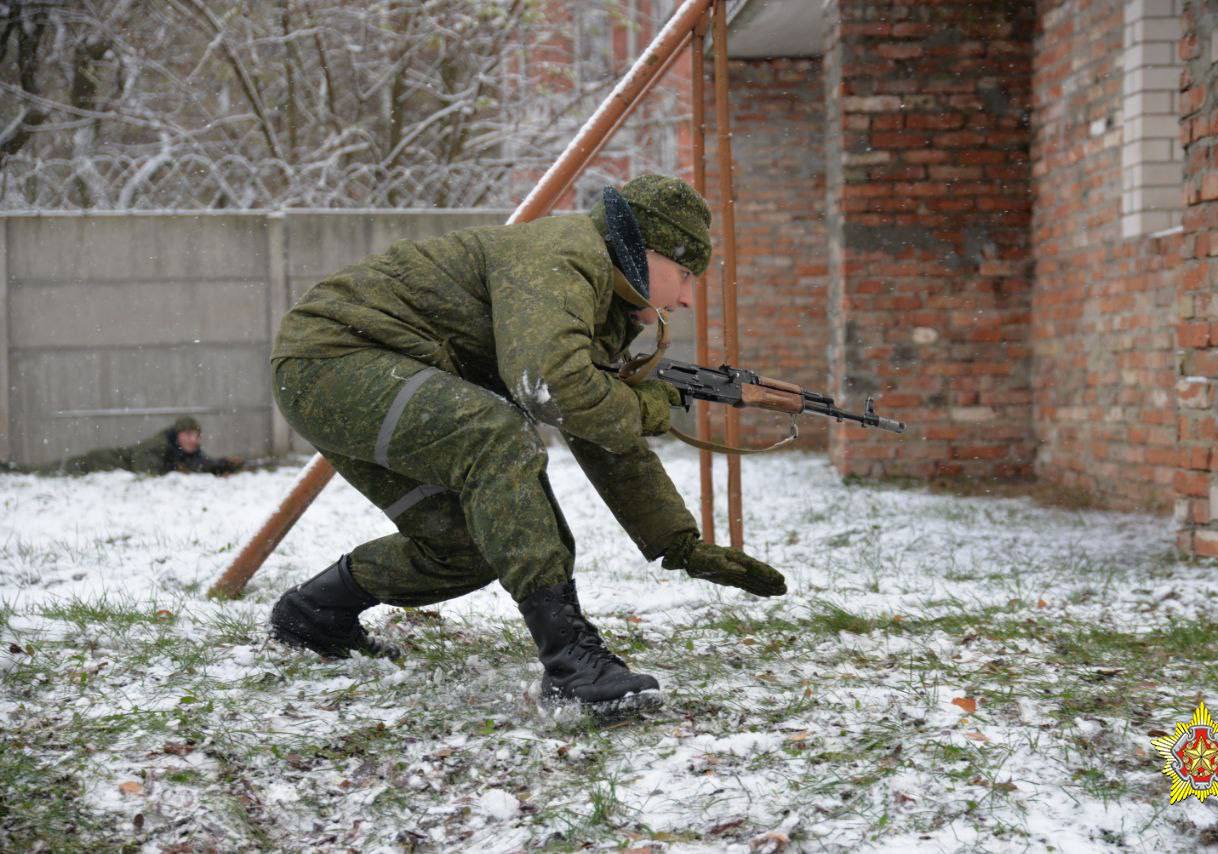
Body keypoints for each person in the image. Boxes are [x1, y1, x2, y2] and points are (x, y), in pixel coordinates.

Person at [267, 174, 786, 715]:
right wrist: (650, 405)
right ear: (644, 247)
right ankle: (570, 661)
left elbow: (597, 426)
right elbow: (553, 388)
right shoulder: (562, 255)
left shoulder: (604, 302)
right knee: (496, 436)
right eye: (684, 274)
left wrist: (678, 543)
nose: (685, 296)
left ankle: (314, 615)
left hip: (360, 372)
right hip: (331, 360)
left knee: (466, 547)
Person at [8, 416, 244, 476]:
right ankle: (9, 468)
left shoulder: (179, 449)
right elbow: (144, 469)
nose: (195, 440)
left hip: (102, 463)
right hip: (98, 463)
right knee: (43, 471)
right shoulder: (159, 445)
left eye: (197, 435)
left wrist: (221, 466)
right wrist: (175, 471)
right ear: (178, 435)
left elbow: (198, 465)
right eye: (189, 434)